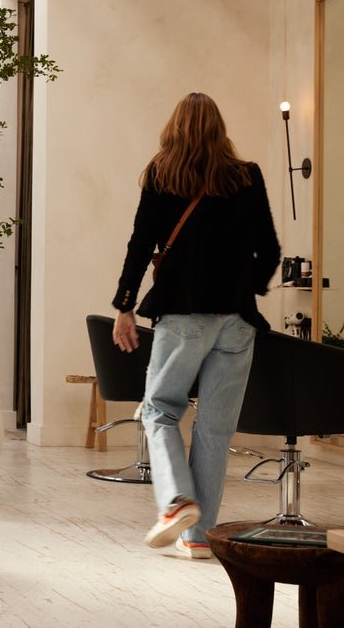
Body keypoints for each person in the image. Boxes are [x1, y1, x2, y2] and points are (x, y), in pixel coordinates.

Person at [111, 92, 280, 559]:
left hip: (183, 315)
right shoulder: (247, 176)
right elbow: (268, 249)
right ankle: (199, 537)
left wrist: (125, 305)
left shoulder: (162, 174)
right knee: (215, 430)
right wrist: (246, 287)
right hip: (238, 321)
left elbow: (140, 244)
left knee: (160, 411)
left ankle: (176, 501)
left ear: (174, 127)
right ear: (220, 129)